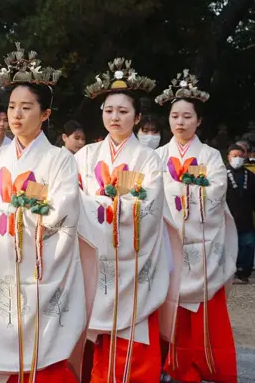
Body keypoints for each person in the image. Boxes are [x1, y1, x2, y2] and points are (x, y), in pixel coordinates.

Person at [0, 43, 96, 382]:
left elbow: (63, 210)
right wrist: (4, 217)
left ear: (45, 114)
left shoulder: (60, 160)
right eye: (11, 107)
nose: (16, 115)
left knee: (41, 351)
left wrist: (11, 216)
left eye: (26, 107)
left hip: (40, 269)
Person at [76, 58, 177, 383]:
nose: (115, 117)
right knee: (91, 331)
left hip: (134, 259)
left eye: (122, 111)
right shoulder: (85, 156)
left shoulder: (148, 159)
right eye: (109, 110)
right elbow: (71, 198)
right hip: (94, 257)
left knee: (132, 329)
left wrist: (100, 205)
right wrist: (106, 204)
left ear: (136, 117)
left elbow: (148, 205)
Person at [155, 69, 238, 382]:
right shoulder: (157, 156)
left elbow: (215, 193)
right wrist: (184, 189)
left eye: (187, 116)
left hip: (201, 246)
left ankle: (204, 365)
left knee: (203, 313)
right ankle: (167, 364)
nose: (180, 122)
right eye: (175, 116)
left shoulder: (211, 156)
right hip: (167, 243)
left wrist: (176, 189)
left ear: (199, 121)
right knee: (166, 306)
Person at [225, 144, 255, 284]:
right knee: (227, 246)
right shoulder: (221, 174)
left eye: (240, 156)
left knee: (247, 244)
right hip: (227, 216)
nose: (238, 159)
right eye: (235, 156)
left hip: (245, 216)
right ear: (228, 157)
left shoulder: (251, 176)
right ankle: (227, 273)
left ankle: (243, 272)